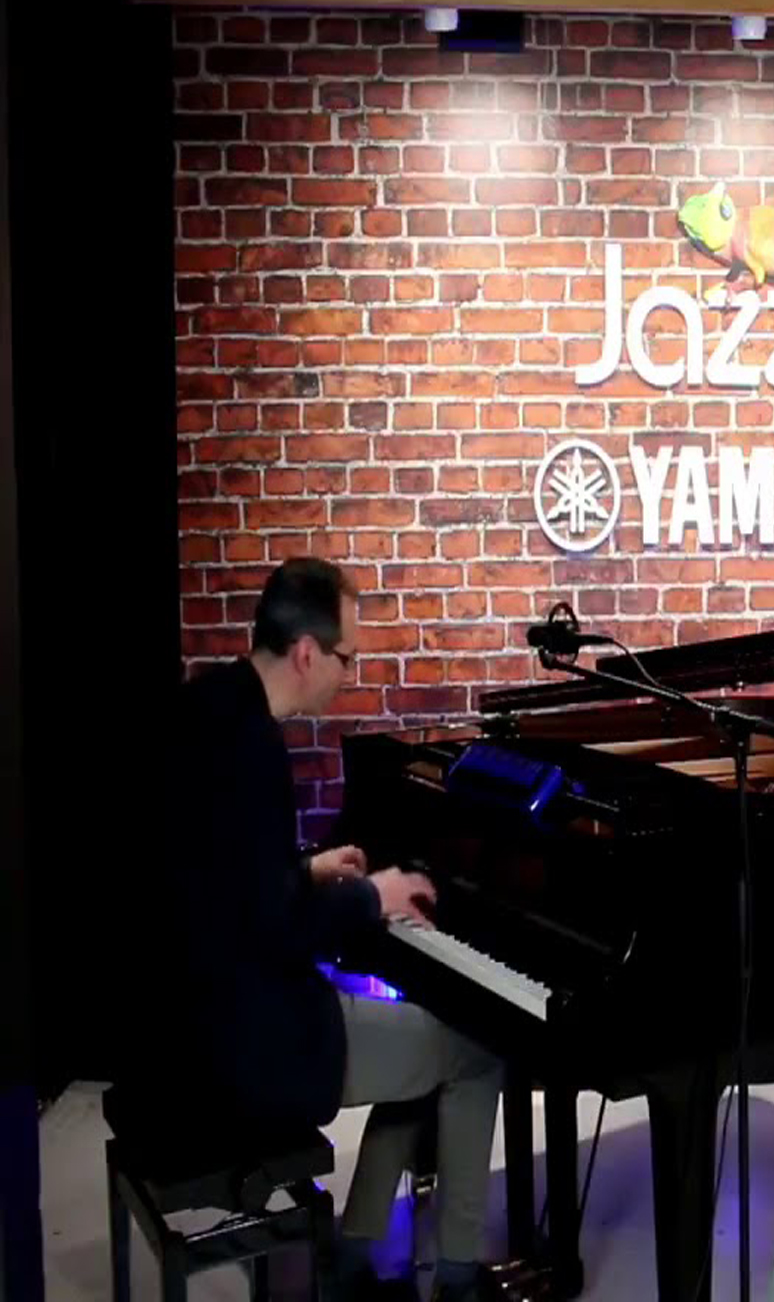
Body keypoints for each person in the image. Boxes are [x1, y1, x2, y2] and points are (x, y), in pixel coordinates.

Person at [159, 557, 504, 1302]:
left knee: (423, 1039)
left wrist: (306, 868)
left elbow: (223, 880)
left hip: (188, 1018)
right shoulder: (254, 749)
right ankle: (458, 1278)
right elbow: (283, 934)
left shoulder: (208, 708)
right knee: (477, 1050)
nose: (350, 674)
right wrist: (373, 896)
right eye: (347, 657)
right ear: (307, 653)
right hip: (252, 1043)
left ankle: (356, 1251)